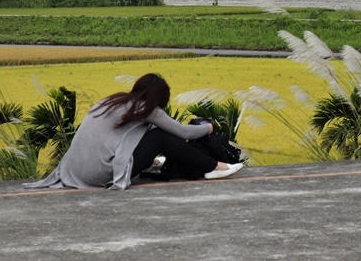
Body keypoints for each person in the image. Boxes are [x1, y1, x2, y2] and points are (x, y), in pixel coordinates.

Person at [24, 73, 243, 190]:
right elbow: (183, 133)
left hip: (74, 171)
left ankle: (169, 163)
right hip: (100, 175)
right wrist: (209, 127)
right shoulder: (146, 109)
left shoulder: (113, 101)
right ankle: (214, 167)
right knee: (161, 136)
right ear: (158, 99)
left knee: (156, 137)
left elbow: (121, 137)